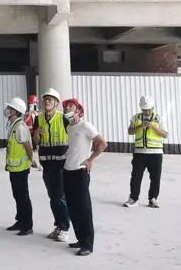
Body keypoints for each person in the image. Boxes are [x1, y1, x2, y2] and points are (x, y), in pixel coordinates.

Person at [62, 98, 108, 257]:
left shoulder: (85, 126)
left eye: (70, 106)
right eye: (66, 107)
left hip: (80, 172)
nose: (67, 108)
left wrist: (90, 159)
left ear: (78, 111)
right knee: (72, 208)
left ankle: (88, 244)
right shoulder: (69, 127)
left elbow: (102, 143)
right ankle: (80, 239)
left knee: (83, 209)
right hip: (67, 171)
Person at [33, 88, 71, 242]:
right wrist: (37, 133)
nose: (46, 101)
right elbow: (36, 141)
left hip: (61, 164)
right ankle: (58, 226)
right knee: (53, 197)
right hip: (47, 165)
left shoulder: (63, 118)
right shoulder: (38, 119)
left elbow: (74, 136)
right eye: (45, 99)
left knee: (61, 197)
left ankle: (65, 228)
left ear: (56, 103)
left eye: (50, 99)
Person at [123, 95, 168, 208]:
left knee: (155, 178)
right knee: (136, 177)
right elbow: (130, 131)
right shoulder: (136, 118)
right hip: (139, 153)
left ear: (153, 108)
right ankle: (133, 198)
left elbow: (165, 134)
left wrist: (154, 127)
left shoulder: (159, 118)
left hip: (156, 153)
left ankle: (153, 199)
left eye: (148, 110)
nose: (146, 112)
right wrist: (140, 127)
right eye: (144, 110)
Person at [4, 97, 35, 236]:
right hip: (14, 168)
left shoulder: (20, 127)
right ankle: (20, 221)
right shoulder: (14, 125)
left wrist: (31, 160)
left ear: (15, 111)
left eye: (10, 108)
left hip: (21, 169)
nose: (7, 110)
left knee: (23, 197)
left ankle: (27, 226)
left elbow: (28, 146)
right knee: (17, 196)